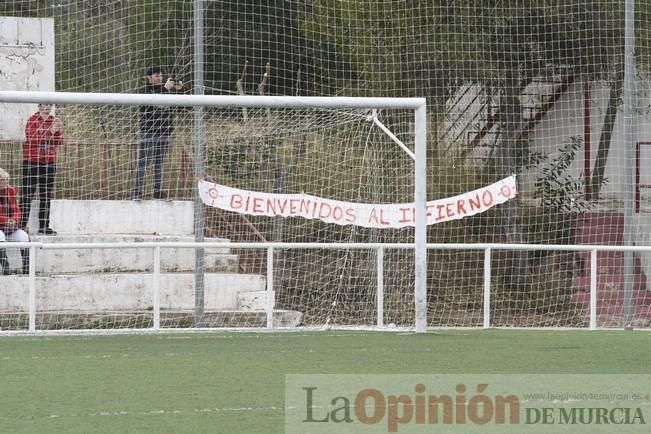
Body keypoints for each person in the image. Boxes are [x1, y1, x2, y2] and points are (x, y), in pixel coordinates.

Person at [132, 66, 183, 200]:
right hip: (148, 132)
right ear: (148, 78)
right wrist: (165, 88)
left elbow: (183, 107)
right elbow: (150, 102)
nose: (159, 78)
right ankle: (136, 193)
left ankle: (157, 192)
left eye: (160, 76)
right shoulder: (143, 91)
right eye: (156, 76)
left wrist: (179, 90)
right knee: (143, 163)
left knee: (159, 163)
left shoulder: (167, 92)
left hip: (164, 133)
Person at [21, 102, 63, 235]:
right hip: (32, 162)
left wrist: (56, 131)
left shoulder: (52, 120)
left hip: (49, 162)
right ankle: (22, 225)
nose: (47, 107)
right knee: (27, 194)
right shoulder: (32, 120)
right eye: (44, 105)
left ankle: (44, 226)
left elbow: (59, 142)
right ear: (39, 107)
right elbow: (32, 139)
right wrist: (50, 132)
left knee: (46, 195)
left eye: (49, 105)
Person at [0, 168, 30, 275]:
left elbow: (17, 210)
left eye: (7, 179)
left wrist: (14, 219)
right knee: (0, 236)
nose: (5, 182)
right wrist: (6, 220)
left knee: (24, 236)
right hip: (1, 227)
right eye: (3, 179)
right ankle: (6, 268)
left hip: (10, 226)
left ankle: (27, 269)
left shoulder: (11, 190)